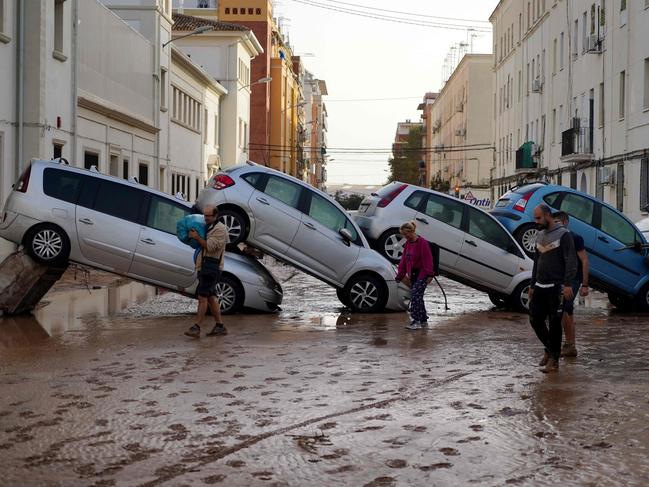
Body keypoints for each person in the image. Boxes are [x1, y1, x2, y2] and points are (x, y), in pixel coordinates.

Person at [528, 204, 577, 373]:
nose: (536, 222)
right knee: (534, 319)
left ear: (548, 215)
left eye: (539, 218)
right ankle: (550, 349)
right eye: (535, 218)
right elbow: (536, 262)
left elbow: (571, 261)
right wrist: (532, 285)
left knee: (555, 323)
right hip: (540, 286)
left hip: (557, 287)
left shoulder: (564, 235)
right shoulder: (540, 235)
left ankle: (554, 361)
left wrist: (568, 284)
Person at [184, 205, 230, 338]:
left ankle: (196, 327)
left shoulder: (220, 230)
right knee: (211, 297)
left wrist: (197, 237)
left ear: (215, 216)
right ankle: (220, 326)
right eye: (205, 215)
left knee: (202, 297)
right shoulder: (208, 226)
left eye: (208, 216)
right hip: (204, 266)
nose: (206, 218)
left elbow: (210, 247)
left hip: (212, 268)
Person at [553, 211, 589, 358]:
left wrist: (585, 285)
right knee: (567, 312)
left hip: (573, 279)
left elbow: (585, 260)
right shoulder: (555, 238)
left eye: (558, 223)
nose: (555, 226)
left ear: (565, 222)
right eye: (553, 223)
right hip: (561, 279)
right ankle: (570, 346)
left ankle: (569, 345)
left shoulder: (575, 238)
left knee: (565, 310)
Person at [395, 221, 435, 330]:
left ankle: (415, 321)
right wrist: (400, 275)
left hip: (423, 274)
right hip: (412, 275)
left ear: (411, 231)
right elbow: (403, 260)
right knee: (418, 298)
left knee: (415, 296)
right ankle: (423, 321)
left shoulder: (422, 243)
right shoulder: (408, 243)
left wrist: (430, 275)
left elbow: (428, 260)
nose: (405, 236)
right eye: (403, 235)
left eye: (406, 234)